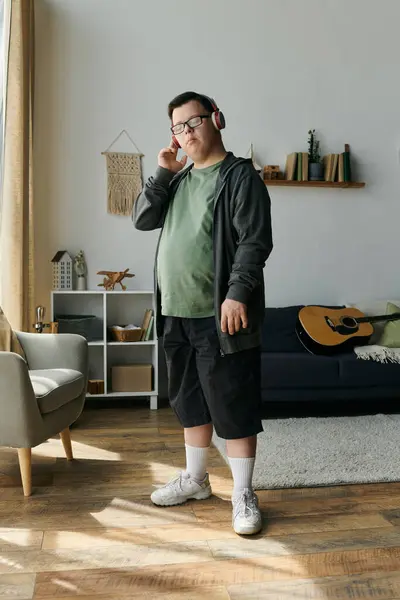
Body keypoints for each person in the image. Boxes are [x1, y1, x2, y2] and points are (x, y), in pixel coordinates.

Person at [133, 91, 273, 535]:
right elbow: (141, 218)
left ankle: (243, 493)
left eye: (193, 122)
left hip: (220, 314)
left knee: (231, 400)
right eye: (177, 127)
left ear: (216, 119)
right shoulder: (177, 179)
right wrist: (162, 170)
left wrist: (237, 293)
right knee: (189, 400)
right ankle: (195, 480)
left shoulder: (240, 177)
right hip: (174, 311)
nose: (186, 133)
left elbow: (254, 241)